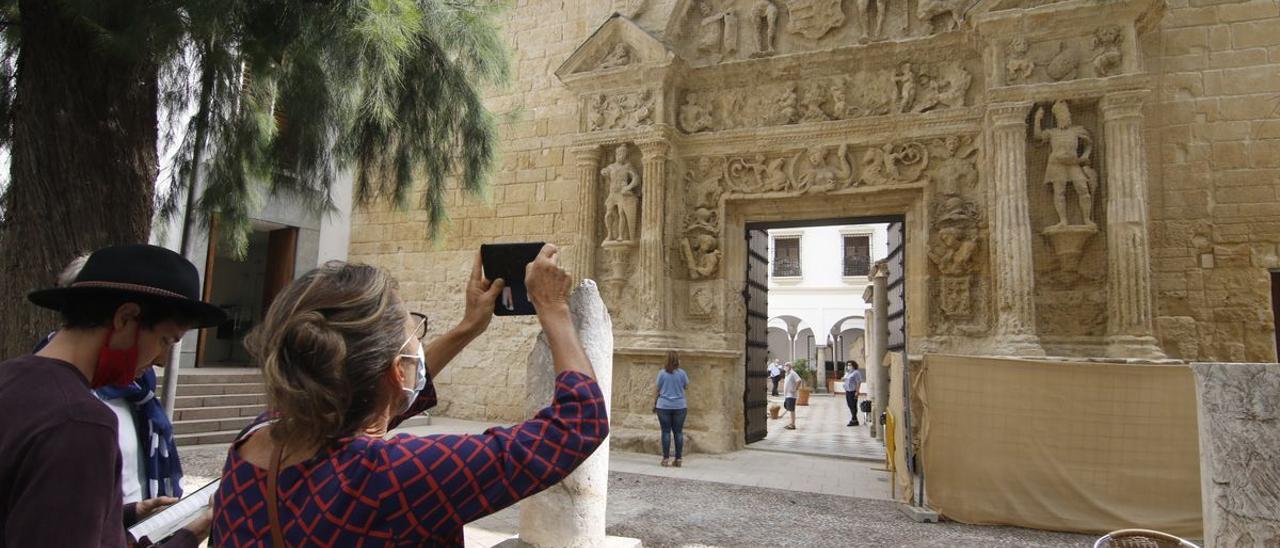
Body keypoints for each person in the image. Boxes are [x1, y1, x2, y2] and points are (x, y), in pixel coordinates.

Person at [210, 244, 609, 546]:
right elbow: (579, 423)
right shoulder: (394, 477)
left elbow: (372, 399)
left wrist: (468, 328)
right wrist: (554, 308)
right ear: (392, 371)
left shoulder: (256, 440)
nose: (418, 342)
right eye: (413, 331)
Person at [0, 244, 227, 547]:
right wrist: (189, 536)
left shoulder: (10, 376)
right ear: (126, 317)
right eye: (165, 340)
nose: (161, 360)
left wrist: (122, 514)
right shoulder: (80, 422)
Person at [653, 351, 690, 467]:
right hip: (679, 405)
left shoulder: (662, 373)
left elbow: (657, 388)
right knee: (678, 432)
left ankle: (665, 458)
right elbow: (686, 386)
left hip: (663, 405)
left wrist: (654, 402)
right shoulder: (682, 373)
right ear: (677, 360)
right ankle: (678, 459)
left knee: (665, 432)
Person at [842, 361, 866, 427]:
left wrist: (857, 391)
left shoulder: (856, 372)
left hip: (853, 391)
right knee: (849, 405)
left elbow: (858, 382)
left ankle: (854, 419)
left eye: (850, 365)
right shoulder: (848, 373)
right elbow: (845, 379)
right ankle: (854, 419)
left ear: (854, 365)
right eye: (848, 365)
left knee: (853, 405)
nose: (848, 366)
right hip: (848, 391)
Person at [782, 363, 802, 430]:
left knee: (791, 410)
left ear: (789, 366)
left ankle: (793, 424)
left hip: (791, 395)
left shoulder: (793, 373)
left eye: (786, 365)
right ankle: (791, 423)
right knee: (789, 409)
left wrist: (795, 389)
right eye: (784, 365)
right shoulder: (787, 374)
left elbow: (799, 380)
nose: (785, 367)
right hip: (787, 395)